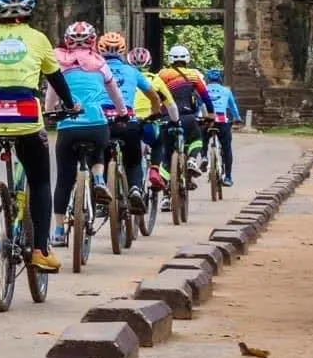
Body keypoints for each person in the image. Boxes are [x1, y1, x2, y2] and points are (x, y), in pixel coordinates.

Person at [0, 0, 77, 274]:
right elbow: (55, 78)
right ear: (30, 12)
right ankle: (40, 250)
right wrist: (70, 104)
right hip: (25, 113)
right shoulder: (39, 39)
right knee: (40, 180)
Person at [50, 23, 126, 247]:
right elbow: (115, 94)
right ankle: (99, 179)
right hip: (96, 124)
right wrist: (121, 112)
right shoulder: (101, 64)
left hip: (68, 127)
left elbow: (52, 99)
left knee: (64, 179)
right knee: (99, 150)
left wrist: (52, 112)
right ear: (93, 41)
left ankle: (59, 230)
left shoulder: (60, 64)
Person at [99, 33, 175, 200]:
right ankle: (135, 188)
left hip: (101, 123)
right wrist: (155, 114)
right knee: (133, 159)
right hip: (128, 123)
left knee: (99, 158)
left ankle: (101, 189)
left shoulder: (94, 69)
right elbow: (154, 97)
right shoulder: (132, 71)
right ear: (122, 51)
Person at [154, 44, 215, 187]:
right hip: (188, 117)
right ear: (187, 59)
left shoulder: (162, 75)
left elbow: (153, 94)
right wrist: (211, 115)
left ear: (170, 59)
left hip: (166, 117)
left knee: (166, 153)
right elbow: (205, 98)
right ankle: (192, 159)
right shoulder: (193, 75)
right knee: (197, 138)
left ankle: (166, 195)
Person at [203, 66, 242, 188]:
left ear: (207, 79)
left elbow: (198, 104)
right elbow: (233, 107)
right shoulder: (226, 91)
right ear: (220, 79)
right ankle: (228, 177)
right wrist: (237, 118)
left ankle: (203, 156)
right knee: (226, 148)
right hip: (221, 120)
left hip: (206, 119)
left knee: (202, 140)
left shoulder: (203, 89)